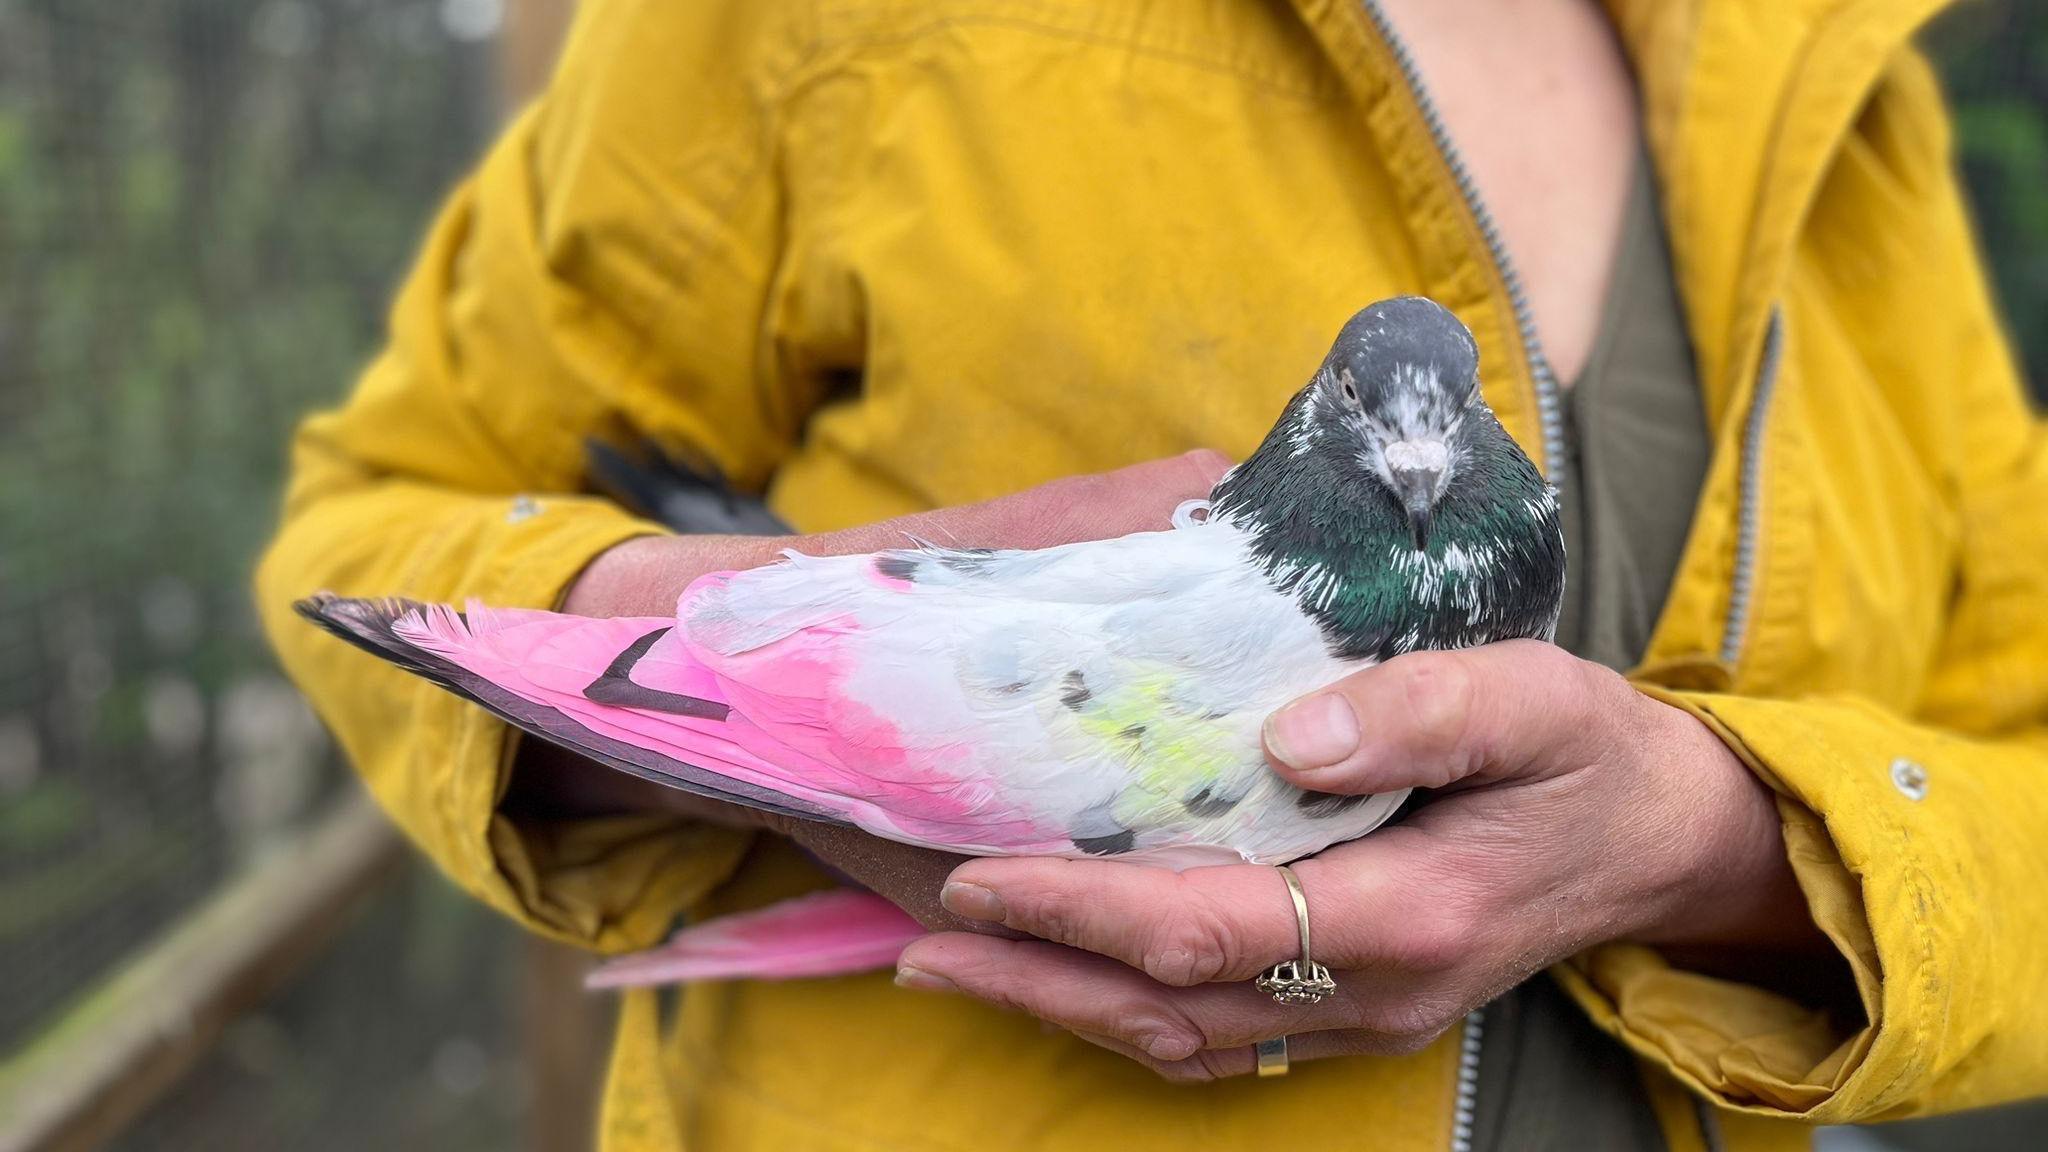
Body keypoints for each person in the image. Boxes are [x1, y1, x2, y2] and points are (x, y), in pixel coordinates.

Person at [256, 0, 2048, 1148]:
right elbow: (387, 504)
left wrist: (1726, 837)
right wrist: (761, 675)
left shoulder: (1849, 111)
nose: (1425, 466)